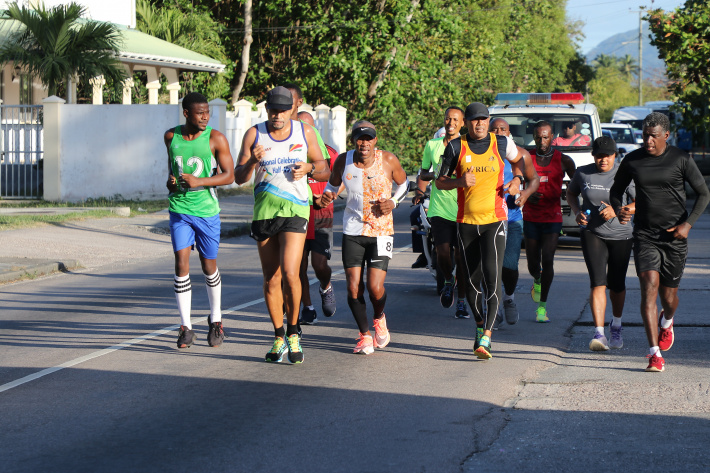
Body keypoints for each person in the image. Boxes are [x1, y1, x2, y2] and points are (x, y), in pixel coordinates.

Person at [234, 86, 329, 364]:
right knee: (271, 277)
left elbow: (324, 167)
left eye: (283, 110)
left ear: (291, 110)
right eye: (273, 110)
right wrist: (253, 160)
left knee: (290, 272)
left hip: (296, 208)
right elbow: (239, 177)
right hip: (264, 211)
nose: (277, 115)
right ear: (267, 110)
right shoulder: (254, 134)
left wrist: (309, 168)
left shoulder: (305, 132)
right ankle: (278, 336)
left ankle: (293, 331)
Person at [436, 103, 537, 359]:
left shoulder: (501, 143)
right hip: (467, 222)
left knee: (493, 277)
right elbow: (440, 181)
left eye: (483, 119)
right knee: (471, 282)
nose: (479, 124)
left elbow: (520, 161)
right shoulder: (456, 147)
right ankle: (479, 324)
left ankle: (487, 337)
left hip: (495, 220)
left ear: (488, 120)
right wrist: (459, 181)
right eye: (474, 120)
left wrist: (517, 180)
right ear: (466, 123)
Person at [610, 112, 710, 372]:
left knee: (669, 298)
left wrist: (687, 225)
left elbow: (703, 193)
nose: (648, 141)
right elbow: (616, 190)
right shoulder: (633, 160)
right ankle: (654, 353)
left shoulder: (680, 159)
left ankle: (668, 320)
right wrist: (619, 208)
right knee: (648, 286)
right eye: (645, 135)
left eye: (653, 136)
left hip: (674, 237)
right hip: (645, 235)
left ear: (666, 135)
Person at [320, 120, 409, 355]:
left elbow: (404, 183)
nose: (364, 143)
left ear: (375, 141)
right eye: (360, 138)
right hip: (353, 230)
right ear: (354, 141)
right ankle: (364, 335)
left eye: (369, 138)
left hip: (381, 231)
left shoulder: (388, 160)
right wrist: (328, 195)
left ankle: (379, 317)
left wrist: (394, 202)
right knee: (352, 287)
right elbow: (333, 184)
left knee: (375, 287)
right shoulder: (343, 160)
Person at [164, 92, 235, 349]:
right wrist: (172, 183)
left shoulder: (215, 138)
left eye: (207, 112)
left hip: (206, 211)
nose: (205, 117)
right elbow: (170, 176)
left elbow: (230, 176)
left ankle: (216, 320)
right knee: (181, 262)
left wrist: (200, 182)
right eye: (200, 112)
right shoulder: (171, 137)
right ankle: (185, 327)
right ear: (186, 113)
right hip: (180, 209)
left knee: (208, 266)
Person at [566, 136, 636, 351]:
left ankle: (616, 325)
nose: (603, 159)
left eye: (608, 155)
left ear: (615, 155)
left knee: (616, 285)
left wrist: (618, 210)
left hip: (621, 235)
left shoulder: (625, 174)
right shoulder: (583, 172)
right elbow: (571, 192)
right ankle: (599, 333)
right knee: (598, 283)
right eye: (599, 155)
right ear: (593, 155)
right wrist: (577, 212)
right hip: (592, 233)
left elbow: (641, 201)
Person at [412, 106, 470, 318]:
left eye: (455, 119)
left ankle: (461, 302)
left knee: (461, 257)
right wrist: (432, 177)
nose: (451, 123)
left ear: (462, 123)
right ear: (444, 121)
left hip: (464, 209)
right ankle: (448, 279)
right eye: (448, 119)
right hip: (439, 207)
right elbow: (424, 172)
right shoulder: (432, 145)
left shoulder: (467, 146)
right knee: (442, 252)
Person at [524, 120, 576, 323]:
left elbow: (577, 183)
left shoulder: (564, 160)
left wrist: (570, 197)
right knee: (532, 264)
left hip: (552, 216)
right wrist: (526, 194)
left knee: (548, 259)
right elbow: (516, 182)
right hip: (531, 216)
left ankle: (542, 308)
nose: (542, 140)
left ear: (552, 136)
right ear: (534, 137)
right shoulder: (527, 158)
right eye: (538, 137)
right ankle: (536, 279)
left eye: (545, 136)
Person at [489, 118, 538, 326]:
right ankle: (493, 307)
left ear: (509, 133)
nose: (499, 132)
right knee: (490, 266)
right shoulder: (482, 153)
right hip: (488, 217)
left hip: (513, 218)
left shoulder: (521, 155)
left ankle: (508, 298)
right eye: (495, 129)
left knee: (509, 265)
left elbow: (534, 179)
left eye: (503, 129)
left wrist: (525, 194)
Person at [296, 110, 338, 324]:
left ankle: (326, 286)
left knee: (319, 264)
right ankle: (308, 307)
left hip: (322, 216)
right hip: (298, 215)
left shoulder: (328, 152)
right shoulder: (291, 151)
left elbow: (339, 178)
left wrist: (330, 196)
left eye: (307, 127)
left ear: (314, 129)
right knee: (298, 266)